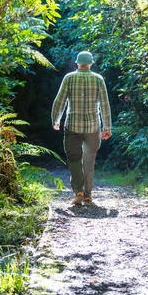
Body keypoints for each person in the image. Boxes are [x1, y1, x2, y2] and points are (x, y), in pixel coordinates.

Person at [51, 51, 112, 205]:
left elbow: (60, 101)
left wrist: (55, 120)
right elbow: (105, 105)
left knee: (74, 159)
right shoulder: (98, 79)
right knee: (89, 160)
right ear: (91, 64)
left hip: (72, 126)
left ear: (77, 63)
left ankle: (78, 191)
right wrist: (107, 127)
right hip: (93, 127)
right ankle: (88, 194)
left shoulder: (69, 78)